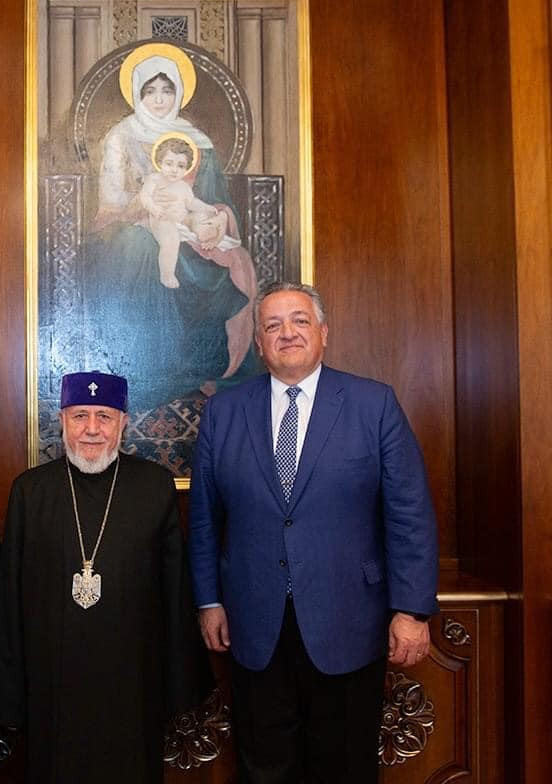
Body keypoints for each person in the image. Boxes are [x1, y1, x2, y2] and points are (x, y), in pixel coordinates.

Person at [188, 282, 439, 783]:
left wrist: (411, 611)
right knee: (265, 767)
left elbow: (409, 514)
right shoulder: (223, 412)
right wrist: (208, 601)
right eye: (273, 325)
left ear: (323, 332)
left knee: (343, 766)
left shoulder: (374, 404)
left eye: (300, 321)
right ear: (258, 343)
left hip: (350, 620)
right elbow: (204, 518)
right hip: (253, 623)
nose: (288, 333)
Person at [0, 371, 212, 783]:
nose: (92, 429)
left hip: (133, 681)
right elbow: (9, 598)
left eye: (104, 417)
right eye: (80, 416)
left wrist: (179, 686)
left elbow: (174, 592)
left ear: (123, 423)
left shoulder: (154, 486)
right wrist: (8, 693)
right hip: (52, 683)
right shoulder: (31, 491)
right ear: (62, 421)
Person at [84, 42, 258, 409]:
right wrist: (143, 206)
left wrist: (216, 221)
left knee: (235, 259)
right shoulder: (120, 137)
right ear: (137, 94)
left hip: (189, 227)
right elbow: (110, 206)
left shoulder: (197, 141)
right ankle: (151, 368)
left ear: (179, 92)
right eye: (151, 91)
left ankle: (204, 366)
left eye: (167, 90)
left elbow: (214, 200)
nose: (160, 99)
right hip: (130, 228)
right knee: (138, 247)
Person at [138, 135, 231, 289]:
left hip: (182, 218)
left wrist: (206, 207)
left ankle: (208, 235)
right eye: (169, 164)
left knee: (203, 218)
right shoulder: (154, 179)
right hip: (161, 219)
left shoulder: (183, 186)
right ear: (160, 163)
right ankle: (167, 274)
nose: (174, 170)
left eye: (181, 166)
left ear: (187, 168)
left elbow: (191, 202)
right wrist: (154, 208)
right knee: (171, 239)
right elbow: (145, 196)